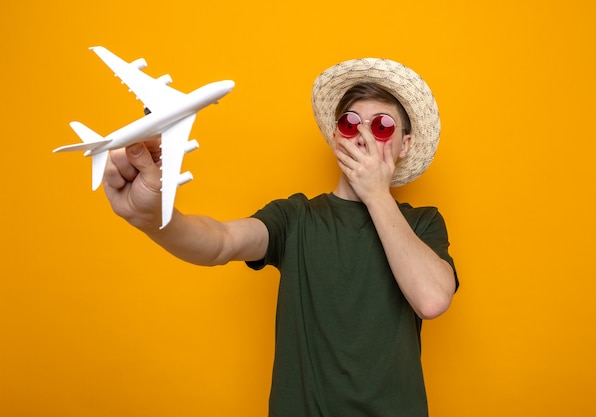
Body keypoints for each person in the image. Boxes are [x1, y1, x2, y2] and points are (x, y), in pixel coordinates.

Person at [103, 58, 458, 417]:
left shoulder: (422, 224)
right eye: (350, 124)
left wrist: (377, 194)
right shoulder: (296, 217)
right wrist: (152, 218)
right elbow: (221, 242)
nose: (363, 136)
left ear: (404, 145)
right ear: (337, 138)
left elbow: (431, 300)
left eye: (381, 126)